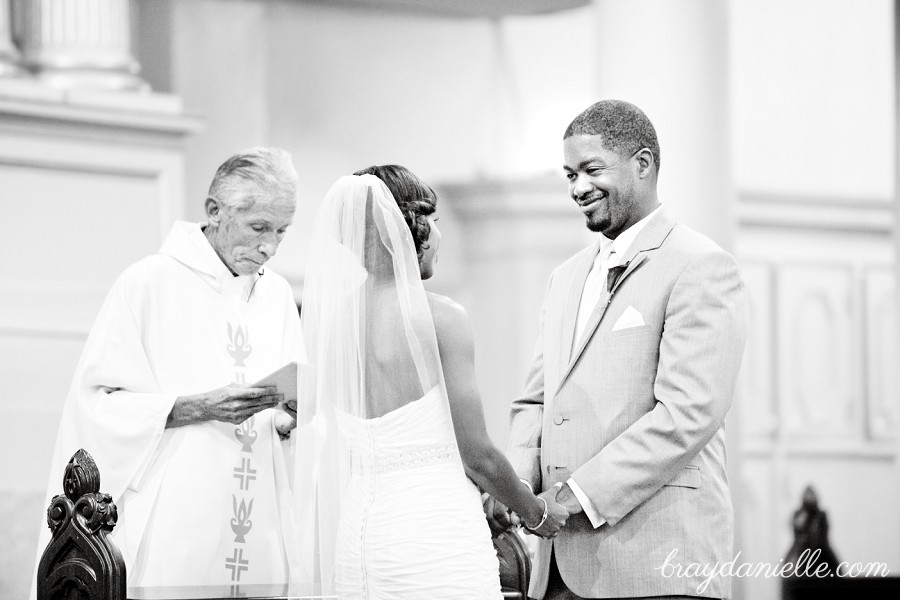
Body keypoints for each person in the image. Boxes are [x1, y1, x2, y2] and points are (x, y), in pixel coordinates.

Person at [500, 100, 749, 599]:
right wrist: (516, 487)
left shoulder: (700, 265)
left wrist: (577, 496)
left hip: (655, 559)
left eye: (591, 170)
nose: (578, 188)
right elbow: (536, 400)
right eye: (569, 174)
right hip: (556, 570)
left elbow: (687, 414)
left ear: (642, 164)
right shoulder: (565, 277)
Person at [33, 147, 305, 593]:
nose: (269, 247)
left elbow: (286, 401)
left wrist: (290, 416)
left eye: (282, 231)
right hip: (173, 526)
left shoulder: (277, 296)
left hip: (261, 522)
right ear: (214, 211)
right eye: (259, 227)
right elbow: (96, 404)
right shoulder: (148, 284)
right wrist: (190, 408)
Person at [292, 165, 568, 599]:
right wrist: (535, 512)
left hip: (359, 540)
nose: (439, 236)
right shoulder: (440, 318)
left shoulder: (333, 324)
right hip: (432, 537)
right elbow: (477, 456)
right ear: (411, 229)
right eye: (436, 223)